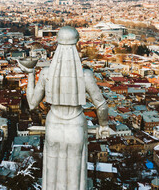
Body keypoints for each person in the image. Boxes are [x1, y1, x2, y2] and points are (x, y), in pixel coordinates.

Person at [18, 26, 109, 190]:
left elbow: (32, 103)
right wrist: (103, 125)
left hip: (54, 125)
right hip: (76, 125)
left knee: (53, 174)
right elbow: (101, 105)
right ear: (75, 46)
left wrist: (30, 73)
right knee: (75, 175)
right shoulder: (85, 75)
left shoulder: (46, 73)